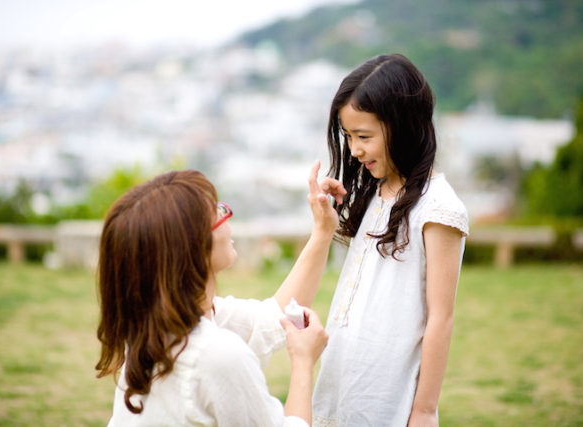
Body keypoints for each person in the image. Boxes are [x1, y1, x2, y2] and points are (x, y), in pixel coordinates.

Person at [96, 161, 341, 427]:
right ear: (193, 249)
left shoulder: (152, 328)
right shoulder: (218, 355)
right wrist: (303, 363)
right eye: (218, 213)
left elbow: (273, 319)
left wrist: (323, 231)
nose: (227, 217)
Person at [311, 54, 469, 427]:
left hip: (388, 401)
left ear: (404, 126)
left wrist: (425, 410)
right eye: (348, 136)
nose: (354, 150)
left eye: (364, 136)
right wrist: (327, 217)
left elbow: (440, 319)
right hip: (341, 386)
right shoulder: (376, 192)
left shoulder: (439, 208)